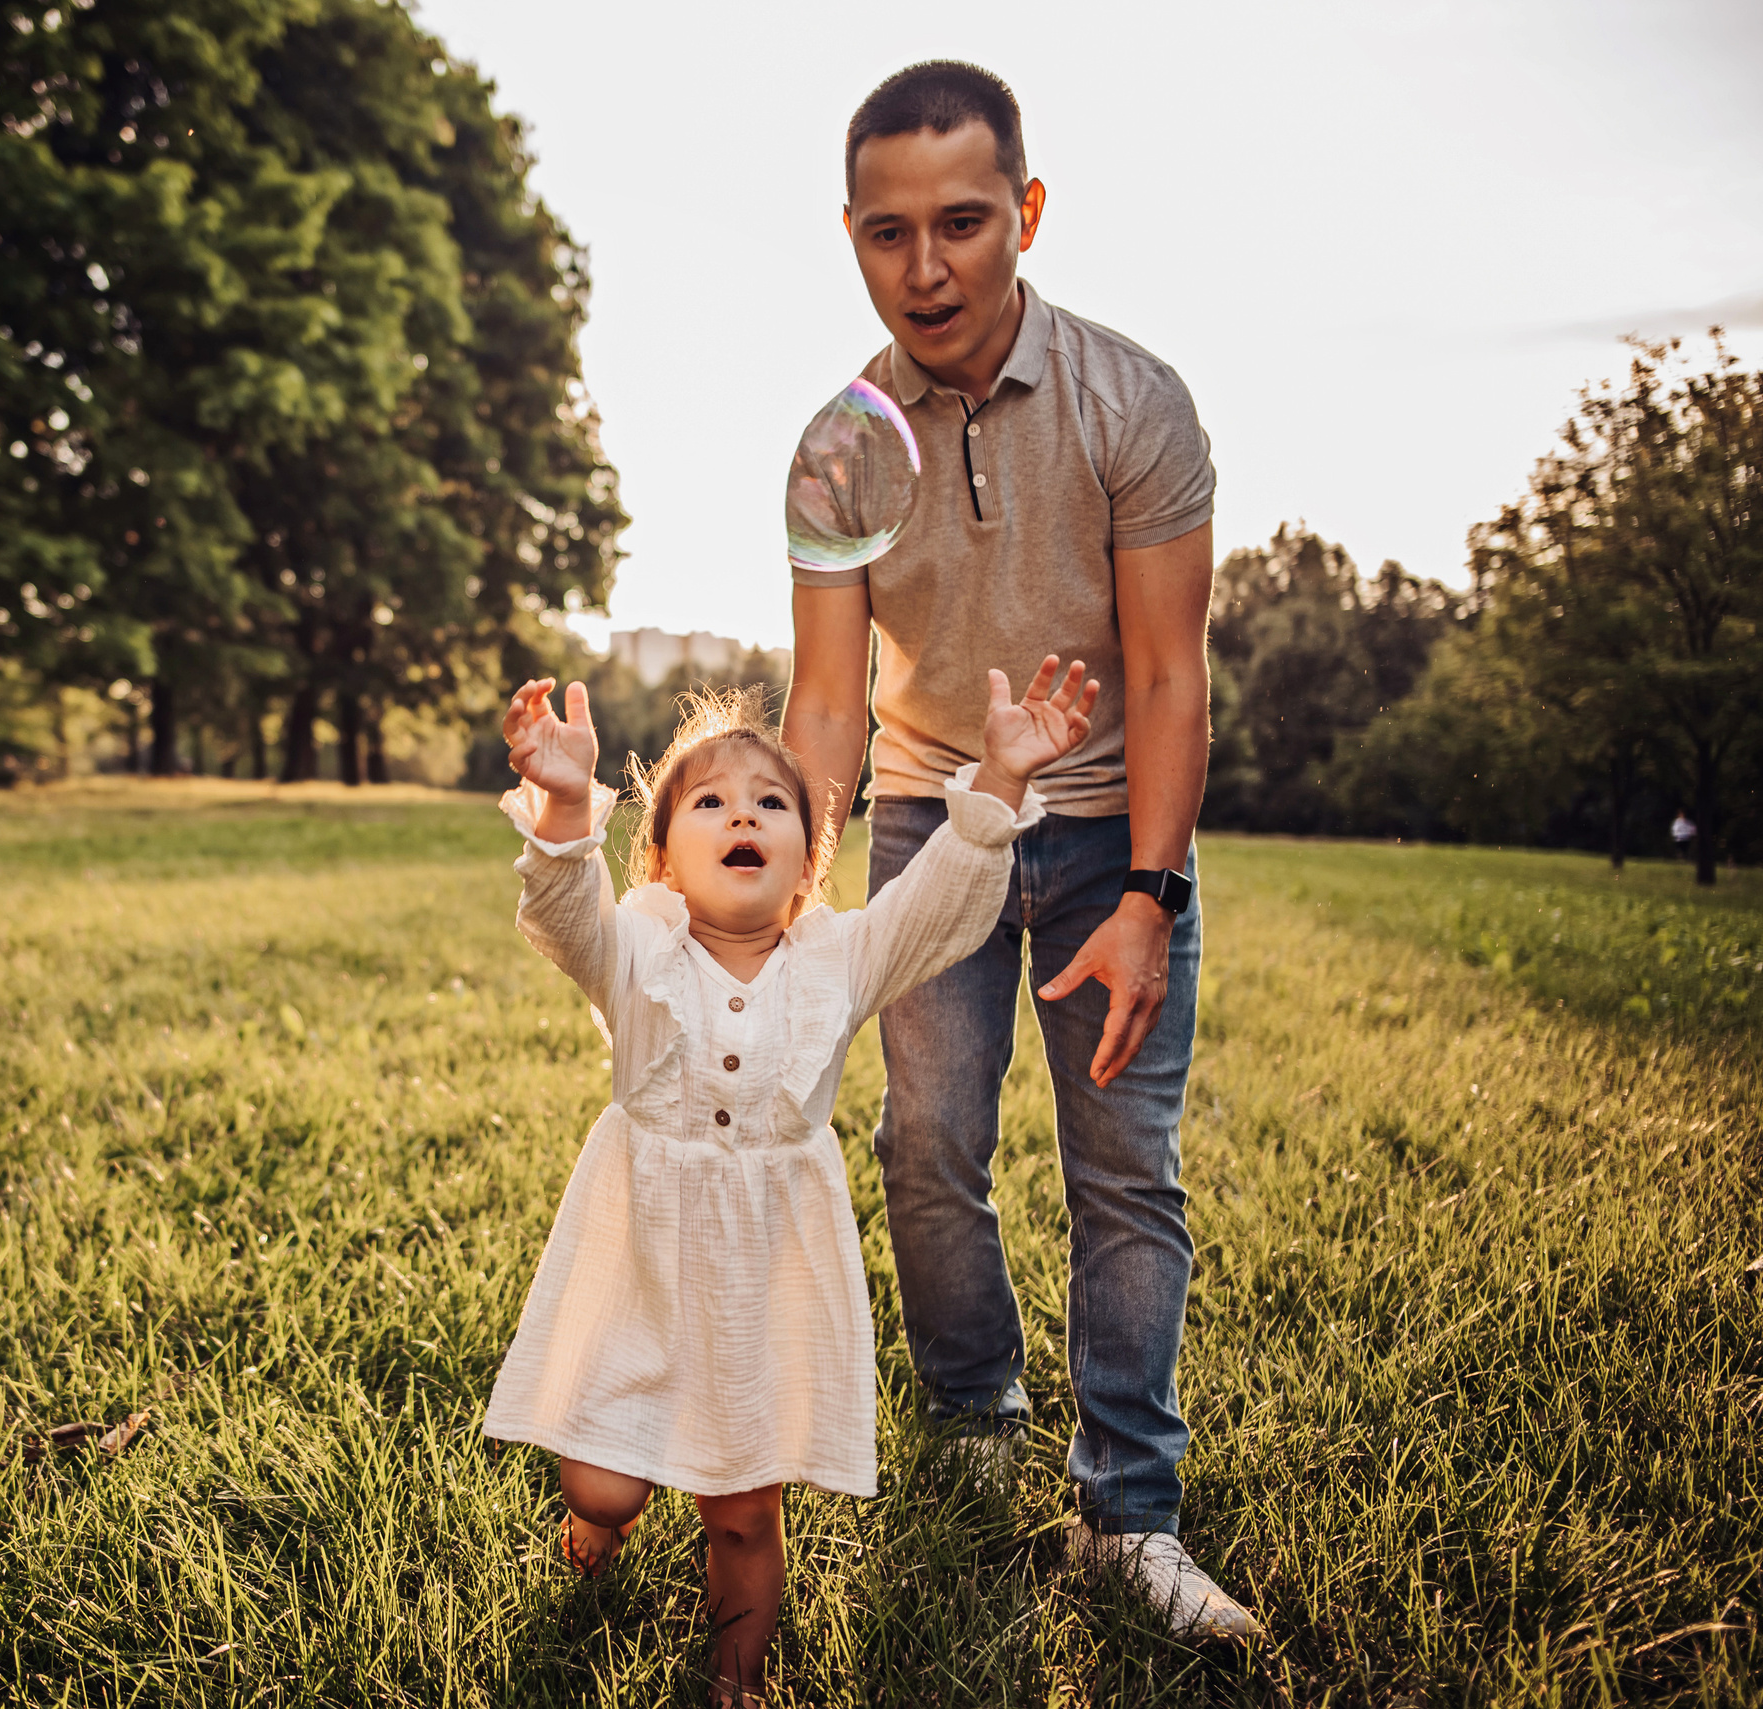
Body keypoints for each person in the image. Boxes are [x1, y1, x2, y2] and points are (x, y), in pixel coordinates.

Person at [778, 61, 1258, 1640]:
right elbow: (830, 705)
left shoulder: (1136, 404)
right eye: (890, 233)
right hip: (933, 819)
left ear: (1026, 214)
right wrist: (784, 894)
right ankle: (973, 1420)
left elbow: (1173, 671)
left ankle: (1132, 1514)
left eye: (965, 224)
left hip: (1117, 818)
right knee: (929, 1146)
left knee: (1126, 1171)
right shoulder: (838, 451)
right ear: (851, 234)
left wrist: (1149, 893)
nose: (928, 269)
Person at [487, 659, 1092, 1706]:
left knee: (742, 1503)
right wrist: (570, 800)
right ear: (666, 857)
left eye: (771, 802)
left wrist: (997, 777)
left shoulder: (836, 958)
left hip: (761, 1274)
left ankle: (738, 1678)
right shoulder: (638, 947)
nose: (744, 813)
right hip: (637, 1254)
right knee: (601, 1472)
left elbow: (936, 909)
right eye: (712, 800)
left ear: (805, 864)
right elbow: (565, 916)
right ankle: (593, 1530)